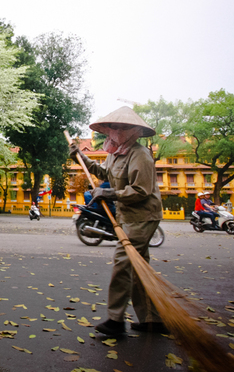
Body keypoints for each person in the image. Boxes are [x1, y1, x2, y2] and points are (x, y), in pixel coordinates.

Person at [70, 106, 165, 335]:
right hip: (126, 216)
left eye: (122, 128)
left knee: (123, 263)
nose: (116, 131)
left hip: (143, 217)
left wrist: (109, 194)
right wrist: (80, 157)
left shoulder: (140, 155)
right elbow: (103, 174)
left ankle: (115, 320)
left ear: (134, 131)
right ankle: (152, 320)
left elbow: (141, 191)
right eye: (114, 127)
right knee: (138, 269)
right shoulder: (114, 153)